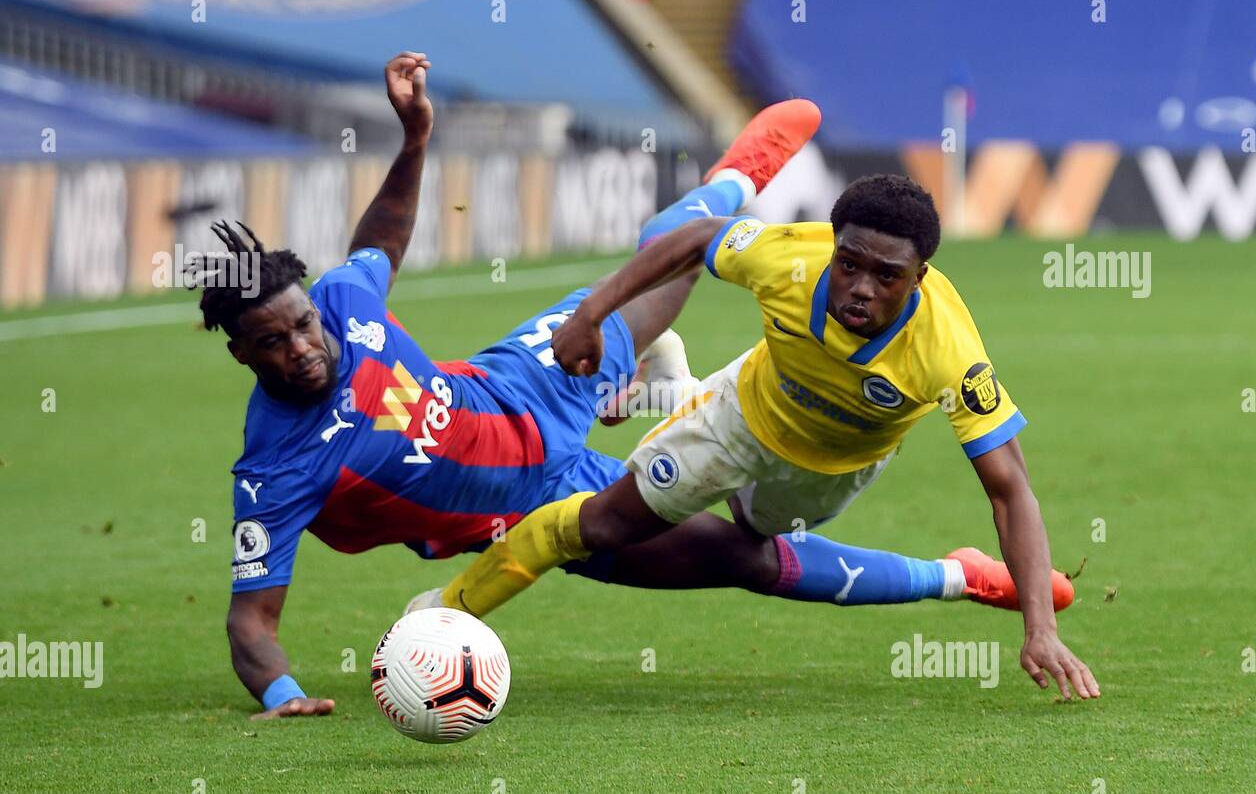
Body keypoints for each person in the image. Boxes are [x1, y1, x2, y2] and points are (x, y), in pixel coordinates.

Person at [208, 53, 1073, 719]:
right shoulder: (277, 470)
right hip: (523, 501)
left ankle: (729, 186)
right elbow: (252, 626)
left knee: (669, 259)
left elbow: (383, 238)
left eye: (302, 323)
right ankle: (955, 578)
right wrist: (284, 697)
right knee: (746, 560)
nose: (303, 345)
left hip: (529, 382)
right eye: (273, 342)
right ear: (244, 357)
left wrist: (417, 138)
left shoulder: (345, 304)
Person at [421, 165, 1098, 701]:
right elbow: (689, 239)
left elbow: (1011, 488)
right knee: (603, 526)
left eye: (887, 277)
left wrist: (1041, 630)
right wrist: (594, 312)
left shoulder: (949, 350)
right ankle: (443, 614)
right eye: (850, 263)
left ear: (920, 278)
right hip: (738, 418)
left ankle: (669, 385)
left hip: (833, 468)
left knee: (750, 540)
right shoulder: (790, 259)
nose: (861, 287)